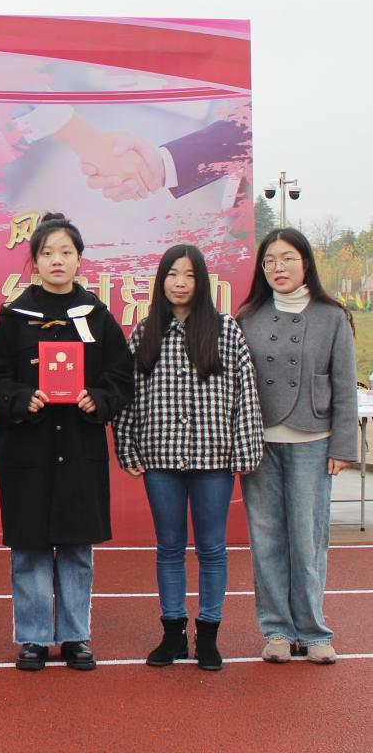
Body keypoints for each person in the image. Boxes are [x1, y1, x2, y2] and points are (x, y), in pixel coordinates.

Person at [0, 212, 133, 671]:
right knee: (29, 548)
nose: (57, 260)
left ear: (79, 259)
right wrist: (19, 398)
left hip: (79, 450)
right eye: (47, 253)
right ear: (35, 261)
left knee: (76, 548)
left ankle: (74, 636)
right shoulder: (15, 318)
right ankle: (32, 637)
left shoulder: (97, 317)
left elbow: (120, 377)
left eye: (66, 252)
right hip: (28, 449)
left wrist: (98, 399)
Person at [113, 245, 263, 671]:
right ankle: (173, 633)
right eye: (172, 275)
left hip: (213, 459)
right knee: (169, 547)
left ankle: (209, 636)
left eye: (189, 275)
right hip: (160, 458)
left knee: (212, 548)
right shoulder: (145, 332)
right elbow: (127, 395)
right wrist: (127, 447)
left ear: (202, 282)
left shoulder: (225, 330)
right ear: (161, 282)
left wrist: (245, 448)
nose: (180, 283)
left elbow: (245, 393)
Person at [236, 227, 358, 664]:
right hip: (260, 444)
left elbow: (345, 384)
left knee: (308, 540)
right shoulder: (248, 317)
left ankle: (312, 630)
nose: (278, 267)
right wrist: (235, 444)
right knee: (266, 539)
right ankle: (277, 631)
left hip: (313, 440)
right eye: (269, 260)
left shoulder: (332, 316)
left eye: (287, 258)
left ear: (306, 262)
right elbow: (234, 387)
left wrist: (343, 446)